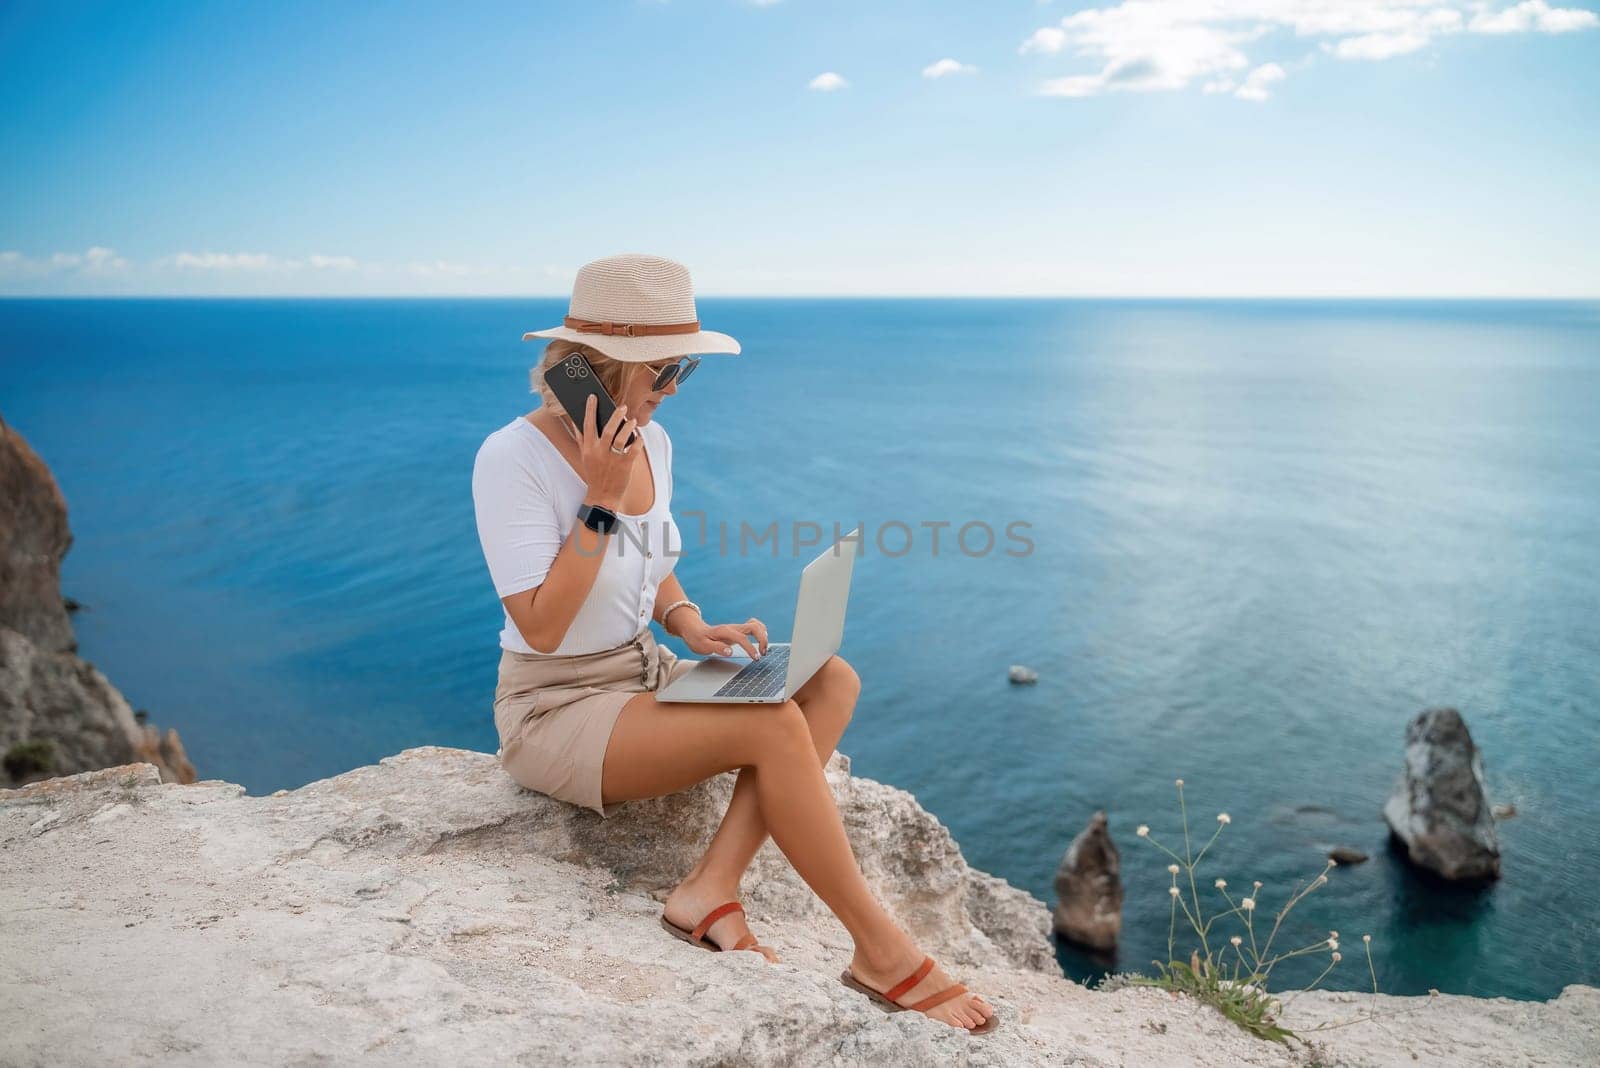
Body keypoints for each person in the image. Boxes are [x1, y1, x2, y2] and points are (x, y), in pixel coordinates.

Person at [471, 253, 998, 1035]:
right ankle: (882, 953)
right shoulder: (510, 458)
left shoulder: (651, 442)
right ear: (603, 367)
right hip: (556, 704)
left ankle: (709, 887)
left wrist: (689, 624)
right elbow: (544, 625)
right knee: (770, 723)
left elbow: (655, 571)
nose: (675, 387)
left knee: (830, 681)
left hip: (640, 672)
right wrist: (600, 500)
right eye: (666, 369)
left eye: (684, 368)